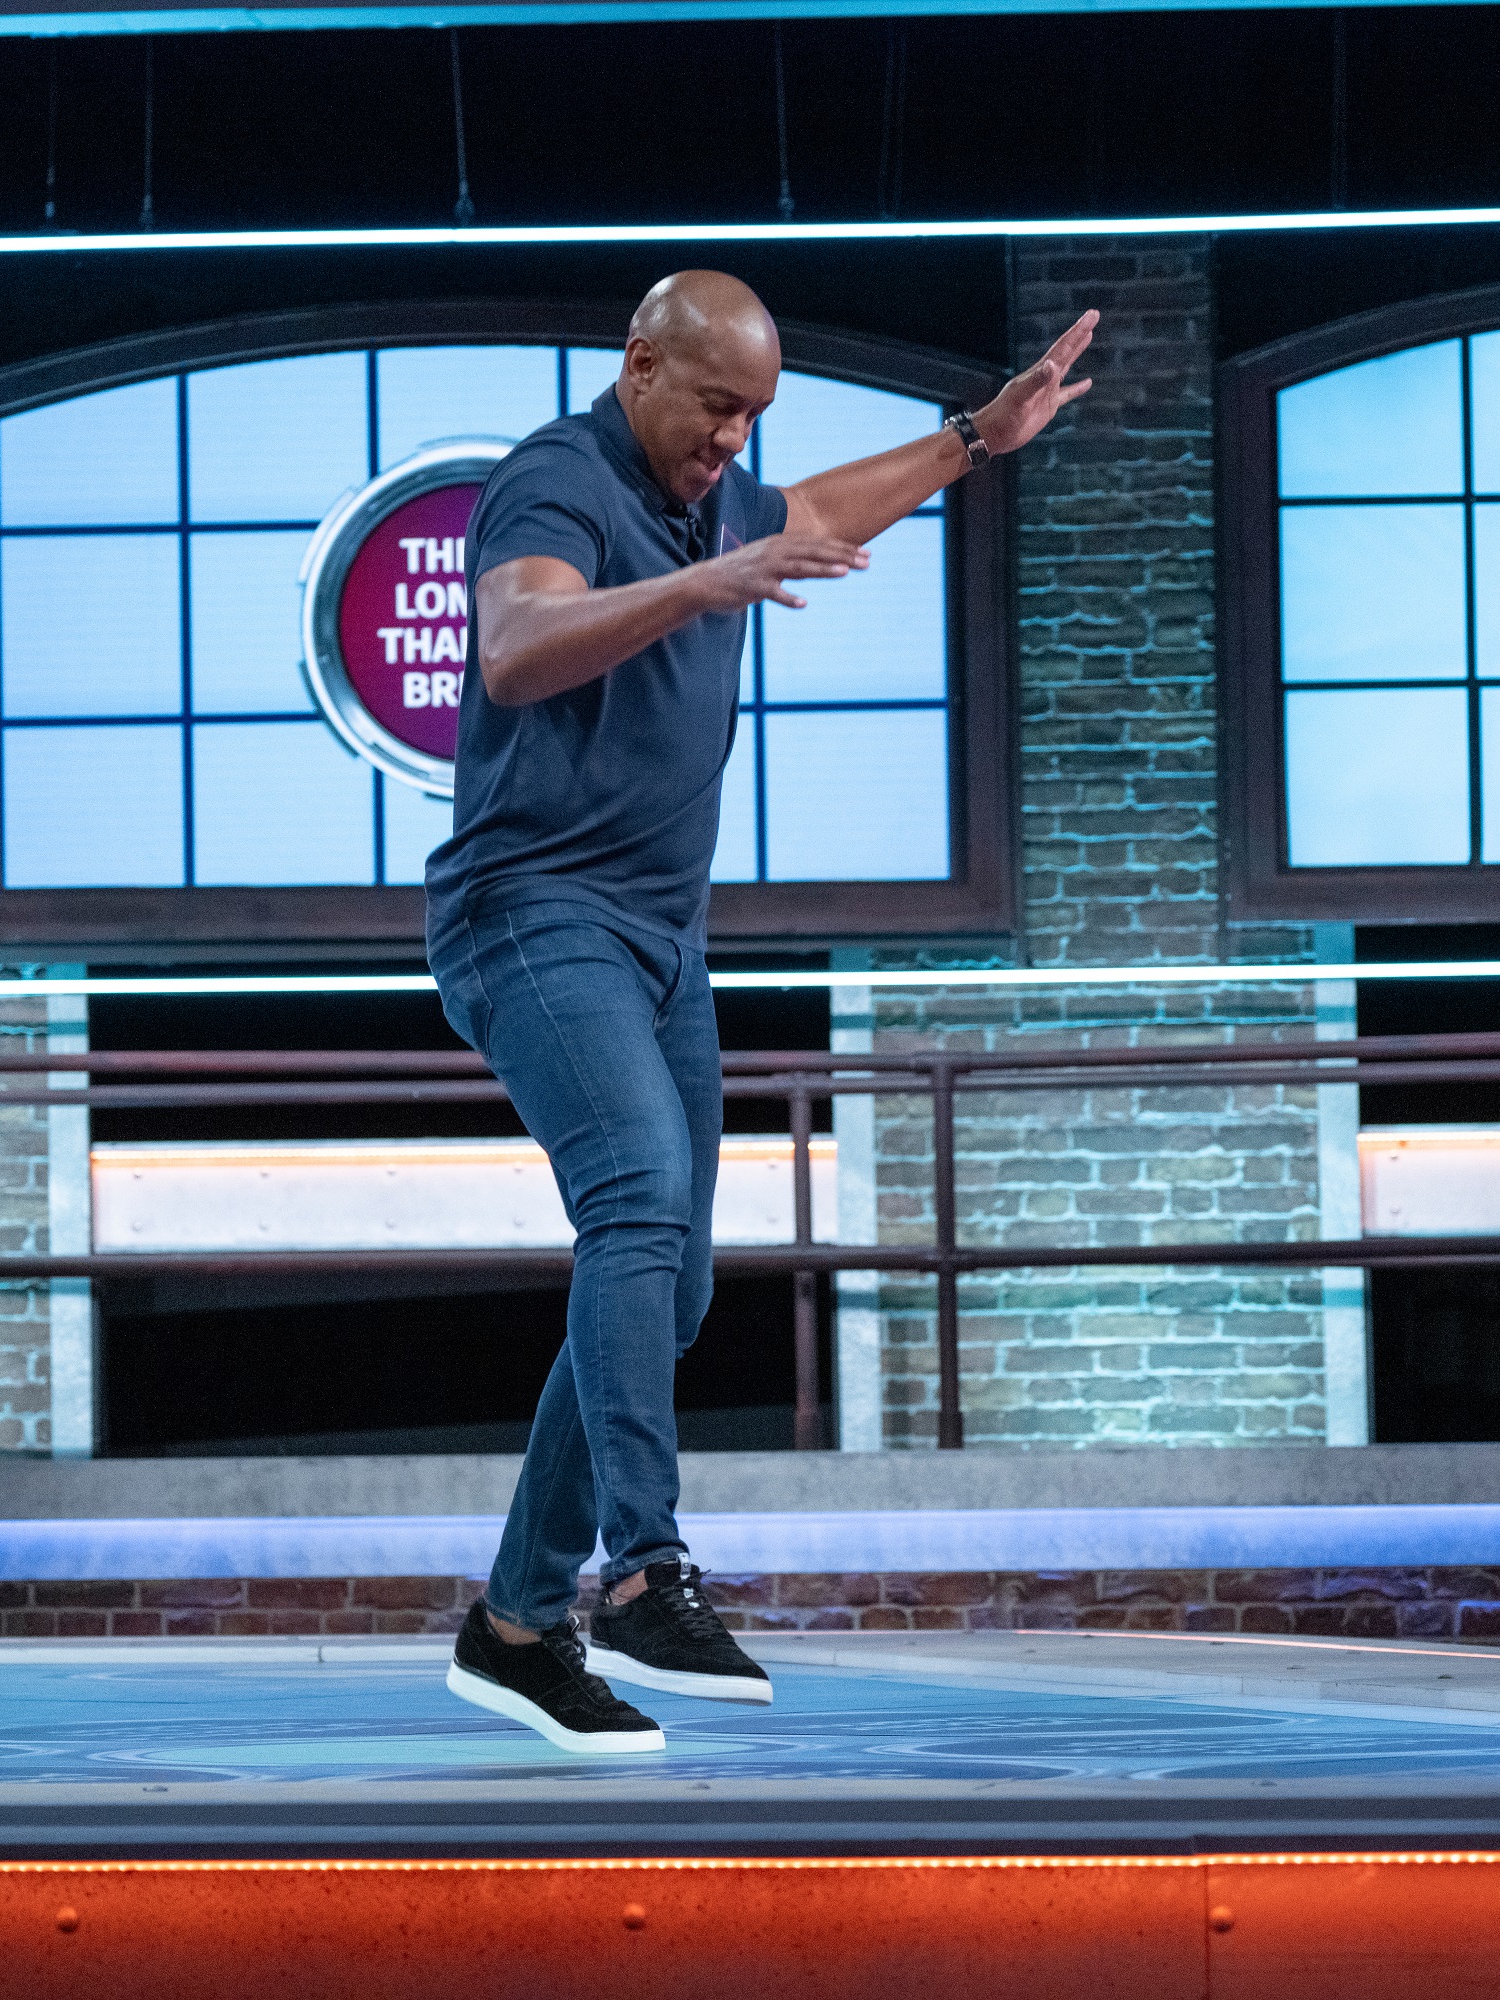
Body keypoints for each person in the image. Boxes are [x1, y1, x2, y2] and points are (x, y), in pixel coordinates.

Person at [430, 271, 1097, 1753]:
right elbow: (517, 647)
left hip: (664, 943)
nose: (733, 440)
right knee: (635, 1200)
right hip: (528, 913)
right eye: (716, 407)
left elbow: (824, 509)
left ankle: (517, 1627)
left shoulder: (720, 496)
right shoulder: (557, 478)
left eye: (755, 418)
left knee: (668, 1287)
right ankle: (641, 1573)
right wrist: (701, 584)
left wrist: (974, 441)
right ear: (640, 366)